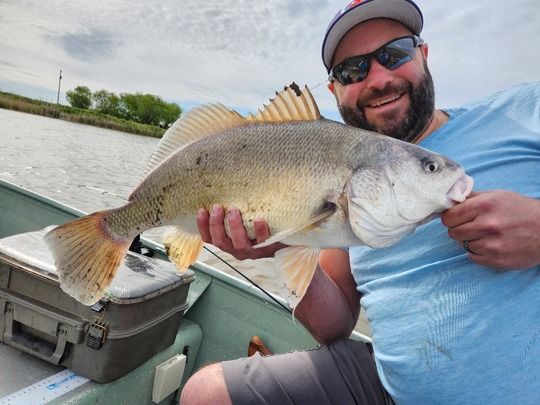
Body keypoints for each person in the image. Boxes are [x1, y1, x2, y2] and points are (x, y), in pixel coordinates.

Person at [180, 0, 540, 403]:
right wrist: (283, 245)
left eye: (394, 53)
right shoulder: (342, 171)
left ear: (423, 54)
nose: (378, 78)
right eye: (353, 69)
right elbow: (333, 326)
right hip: (390, 390)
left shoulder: (525, 109)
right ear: (335, 89)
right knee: (206, 393)